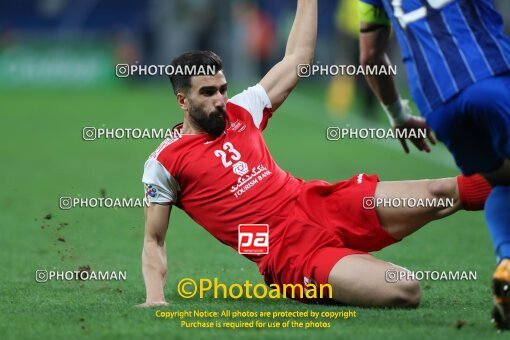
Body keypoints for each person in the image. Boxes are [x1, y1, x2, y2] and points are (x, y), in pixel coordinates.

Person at [137, 0, 491, 309]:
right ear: (183, 101)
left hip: (318, 203)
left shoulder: (241, 110)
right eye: (208, 93)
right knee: (404, 288)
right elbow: (154, 239)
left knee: (443, 191)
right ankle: (334, 270)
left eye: (223, 89)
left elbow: (297, 59)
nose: (219, 99)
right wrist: (155, 297)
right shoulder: (164, 163)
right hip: (289, 252)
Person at [358, 0, 510, 329]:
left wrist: (398, 115)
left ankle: (507, 262)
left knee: (501, 180)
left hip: (437, 103)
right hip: (490, 75)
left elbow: (370, 56)